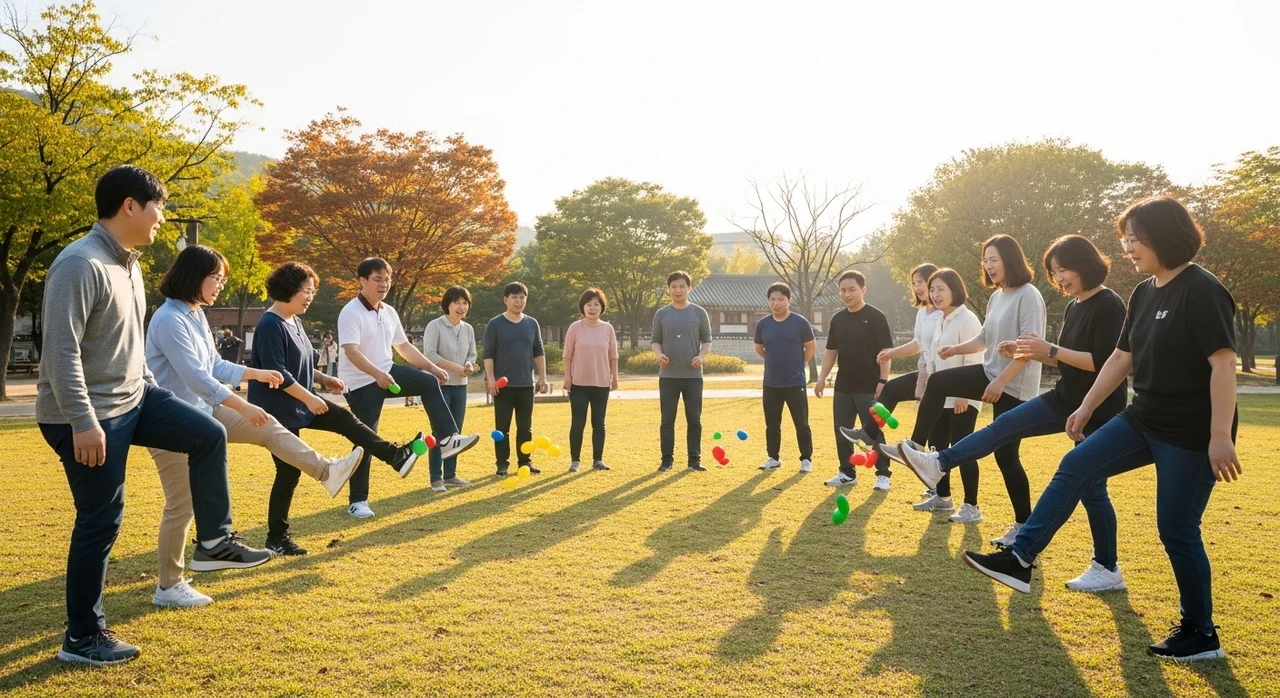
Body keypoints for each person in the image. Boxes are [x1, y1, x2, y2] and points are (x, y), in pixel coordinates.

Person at [964, 198, 1241, 661]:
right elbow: (1121, 358)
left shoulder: (1202, 290)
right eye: (1125, 239)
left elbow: (1223, 364)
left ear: (1165, 236)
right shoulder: (1145, 291)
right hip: (1143, 417)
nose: (1128, 248)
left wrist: (1219, 436)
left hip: (1192, 431)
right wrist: (1085, 408)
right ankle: (1020, 558)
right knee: (1076, 465)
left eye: (1136, 239)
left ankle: (1200, 631)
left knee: (1175, 528)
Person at [36, 165, 270, 667]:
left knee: (207, 432)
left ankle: (213, 540)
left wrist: (152, 392)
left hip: (135, 396)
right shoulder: (80, 264)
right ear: (129, 207)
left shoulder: (130, 264)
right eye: (158, 207)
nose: (162, 217)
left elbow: (129, 348)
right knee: (101, 520)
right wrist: (82, 421)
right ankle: (82, 638)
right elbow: (60, 354)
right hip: (87, 415)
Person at [901, 236, 1130, 591]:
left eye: (1064, 270)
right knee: (1004, 427)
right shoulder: (1074, 305)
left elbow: (1104, 363)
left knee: (1091, 488)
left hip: (1097, 406)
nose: (1060, 279)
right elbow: (1062, 357)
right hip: (1064, 396)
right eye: (1054, 272)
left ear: (1085, 264)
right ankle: (938, 462)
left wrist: (1046, 349)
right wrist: (1029, 350)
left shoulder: (1109, 304)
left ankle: (1106, 566)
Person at [143, 245, 366, 607]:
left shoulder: (196, 315)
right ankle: (169, 585)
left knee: (269, 428)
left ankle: (327, 472)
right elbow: (197, 378)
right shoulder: (169, 320)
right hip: (172, 420)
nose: (220, 285)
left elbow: (215, 365)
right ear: (193, 277)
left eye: (222, 279)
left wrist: (255, 373)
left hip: (204, 412)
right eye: (216, 278)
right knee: (181, 504)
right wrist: (243, 405)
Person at [250, 261, 427, 551]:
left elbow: (300, 364)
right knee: (288, 472)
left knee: (346, 420)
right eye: (306, 291)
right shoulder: (270, 324)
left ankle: (395, 455)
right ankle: (276, 539)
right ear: (288, 289)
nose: (310, 296)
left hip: (301, 403)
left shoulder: (293, 320)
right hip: (278, 410)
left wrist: (324, 379)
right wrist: (309, 396)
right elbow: (278, 373)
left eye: (312, 291)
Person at [884, 235, 1046, 547]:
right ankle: (916, 446)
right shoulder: (997, 296)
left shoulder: (1029, 296)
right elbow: (985, 338)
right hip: (991, 371)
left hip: (1015, 384)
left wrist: (1000, 382)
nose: (988, 265)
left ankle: (1023, 526)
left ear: (1010, 259)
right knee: (939, 382)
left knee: (1006, 455)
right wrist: (954, 348)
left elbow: (1028, 347)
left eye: (994, 259)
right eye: (985, 260)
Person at [338, 258, 479, 516]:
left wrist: (433, 368)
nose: (384, 284)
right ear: (362, 281)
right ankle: (357, 501)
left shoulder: (389, 312)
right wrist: (377, 374)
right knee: (366, 438)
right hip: (360, 381)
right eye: (377, 279)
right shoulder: (351, 312)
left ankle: (449, 439)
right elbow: (352, 352)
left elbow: (404, 347)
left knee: (427, 382)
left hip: (388, 371)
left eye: (387, 279)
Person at [842, 263, 940, 493]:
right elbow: (918, 344)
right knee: (892, 388)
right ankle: (867, 435)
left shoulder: (945, 312)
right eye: (914, 283)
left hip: (942, 376)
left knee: (938, 435)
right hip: (926, 373)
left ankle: (938, 489)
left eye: (921, 282)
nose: (917, 287)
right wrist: (892, 352)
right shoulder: (922, 313)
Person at [907, 269, 983, 519]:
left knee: (964, 450)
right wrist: (928, 386)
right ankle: (943, 498)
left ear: (955, 289)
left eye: (941, 289)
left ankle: (972, 506)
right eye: (932, 290)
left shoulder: (966, 318)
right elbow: (932, 356)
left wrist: (964, 394)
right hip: (941, 396)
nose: (935, 295)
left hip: (963, 397)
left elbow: (974, 357)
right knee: (938, 447)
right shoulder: (939, 318)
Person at [815, 270, 894, 490]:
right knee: (842, 430)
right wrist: (822, 378)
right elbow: (831, 351)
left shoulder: (876, 317)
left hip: (869, 385)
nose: (847, 294)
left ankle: (883, 474)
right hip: (843, 386)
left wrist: (883, 381)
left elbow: (886, 352)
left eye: (852, 290)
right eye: (843, 290)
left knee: (872, 431)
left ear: (863, 290)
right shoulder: (838, 319)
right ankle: (846, 472)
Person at [483, 282, 550, 475]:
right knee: (502, 428)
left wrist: (542, 378)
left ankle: (525, 461)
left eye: (522, 297)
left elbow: (539, 351)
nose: (518, 301)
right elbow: (489, 354)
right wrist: (491, 379)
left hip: (526, 385)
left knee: (525, 427)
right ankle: (502, 463)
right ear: (506, 300)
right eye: (514, 297)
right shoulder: (495, 324)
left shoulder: (531, 323)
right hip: (503, 386)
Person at [651, 271, 713, 472]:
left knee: (694, 418)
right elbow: (655, 341)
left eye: (681, 286)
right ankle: (666, 460)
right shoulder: (661, 314)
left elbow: (707, 340)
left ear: (689, 288)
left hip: (693, 376)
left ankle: (694, 460)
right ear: (668, 289)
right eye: (674, 287)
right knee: (667, 419)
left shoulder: (699, 313)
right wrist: (659, 355)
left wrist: (701, 357)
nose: (678, 290)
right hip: (668, 375)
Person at [753, 282, 816, 473]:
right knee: (772, 423)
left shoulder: (800, 322)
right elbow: (760, 348)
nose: (776, 303)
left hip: (795, 382)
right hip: (771, 382)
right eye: (772, 299)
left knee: (801, 423)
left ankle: (806, 459)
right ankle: (773, 457)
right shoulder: (763, 324)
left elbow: (811, 347)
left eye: (780, 299)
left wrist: (798, 363)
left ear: (788, 300)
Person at [421, 285, 478, 491]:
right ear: (448, 304)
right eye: (457, 302)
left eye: (465, 303)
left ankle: (451, 475)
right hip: (439, 386)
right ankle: (436, 478)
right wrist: (456, 367)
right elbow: (430, 355)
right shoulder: (434, 326)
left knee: (456, 433)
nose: (461, 307)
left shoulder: (468, 329)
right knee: (439, 432)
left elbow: (472, 354)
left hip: (460, 387)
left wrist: (470, 364)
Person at [563, 287, 619, 472]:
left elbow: (613, 356)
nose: (592, 308)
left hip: (601, 383)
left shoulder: (608, 328)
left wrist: (615, 378)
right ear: (583, 307)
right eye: (589, 304)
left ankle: (598, 460)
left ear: (602, 307)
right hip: (578, 383)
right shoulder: (575, 327)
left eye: (596, 304)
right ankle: (575, 461)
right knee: (577, 422)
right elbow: (567, 355)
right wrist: (567, 377)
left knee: (599, 422)